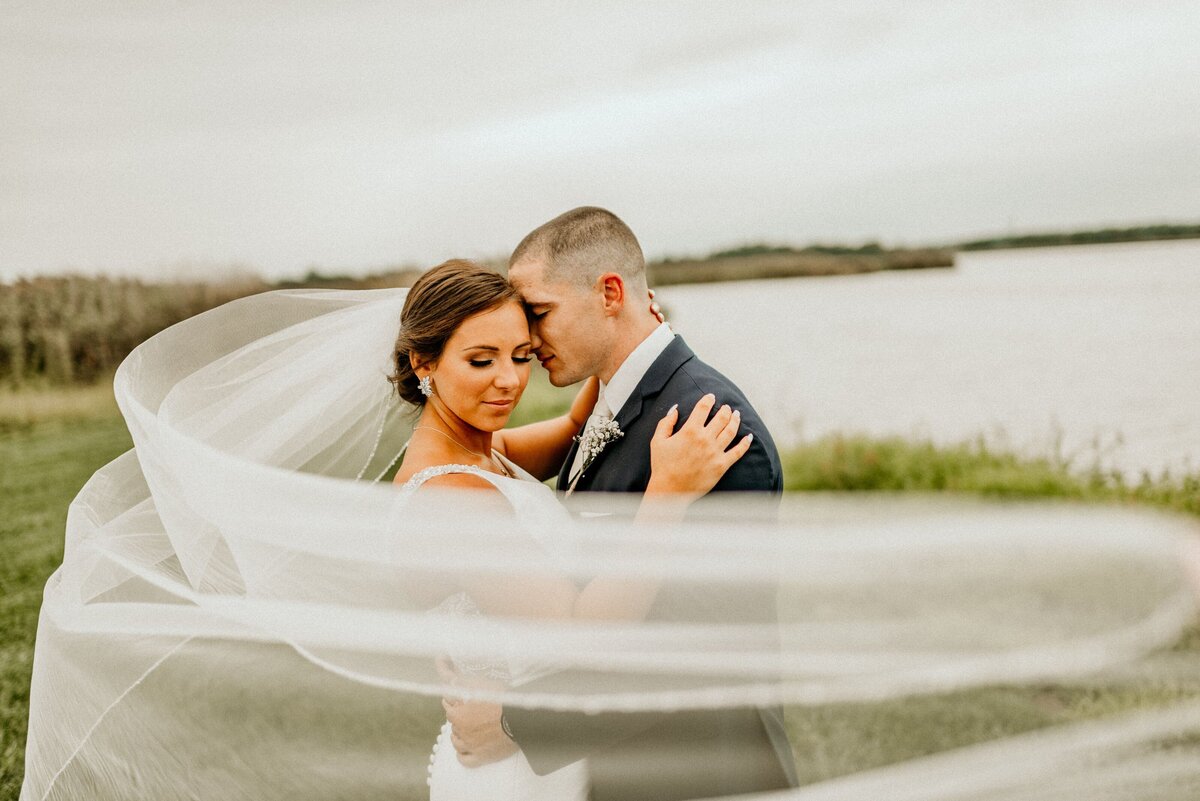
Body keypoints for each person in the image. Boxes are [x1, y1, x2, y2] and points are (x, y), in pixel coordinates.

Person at [441, 207, 798, 800]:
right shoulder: (608, 401)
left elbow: (690, 653)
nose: (528, 339)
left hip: (699, 774)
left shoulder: (706, 427)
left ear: (610, 293)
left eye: (540, 313)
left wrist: (516, 725)